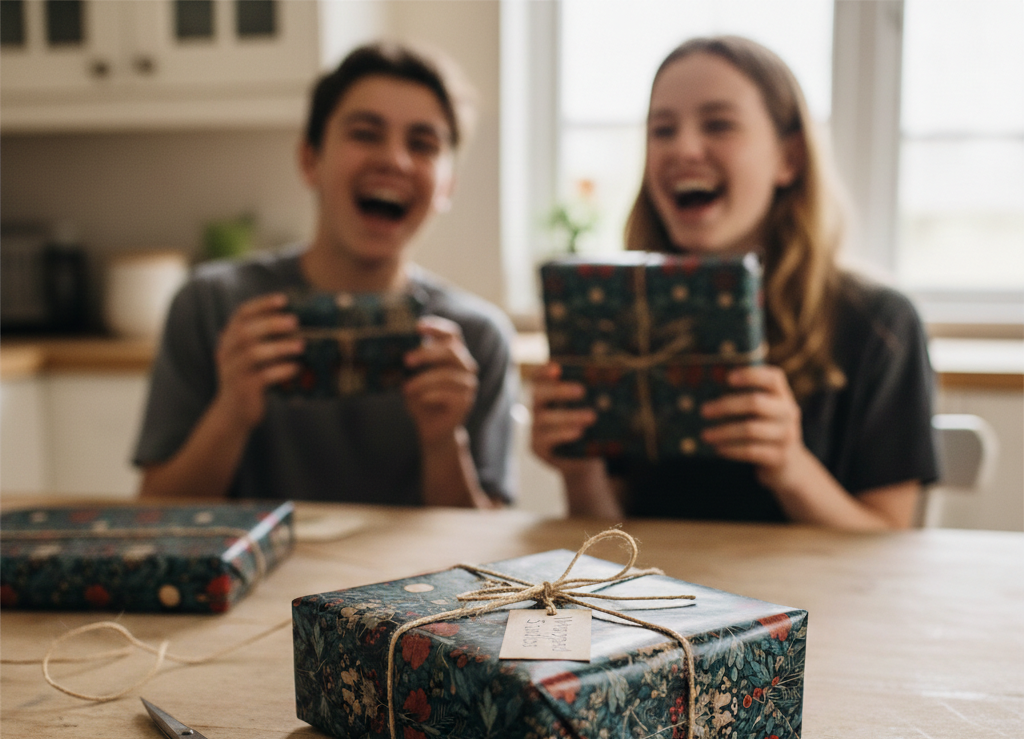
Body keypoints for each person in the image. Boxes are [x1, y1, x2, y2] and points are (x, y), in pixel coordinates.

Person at [532, 36, 938, 530]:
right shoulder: (620, 315)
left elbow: (893, 546)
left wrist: (791, 467)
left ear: (789, 158)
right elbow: (610, 547)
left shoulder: (881, 324)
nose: (682, 148)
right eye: (662, 130)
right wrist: (582, 471)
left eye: (719, 124)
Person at [134, 43, 515, 508]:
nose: (394, 160)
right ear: (310, 159)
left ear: (448, 185)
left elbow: (487, 557)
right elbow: (155, 512)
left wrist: (443, 441)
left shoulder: (477, 340)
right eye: (365, 133)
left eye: (423, 144)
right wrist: (231, 411)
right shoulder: (212, 306)